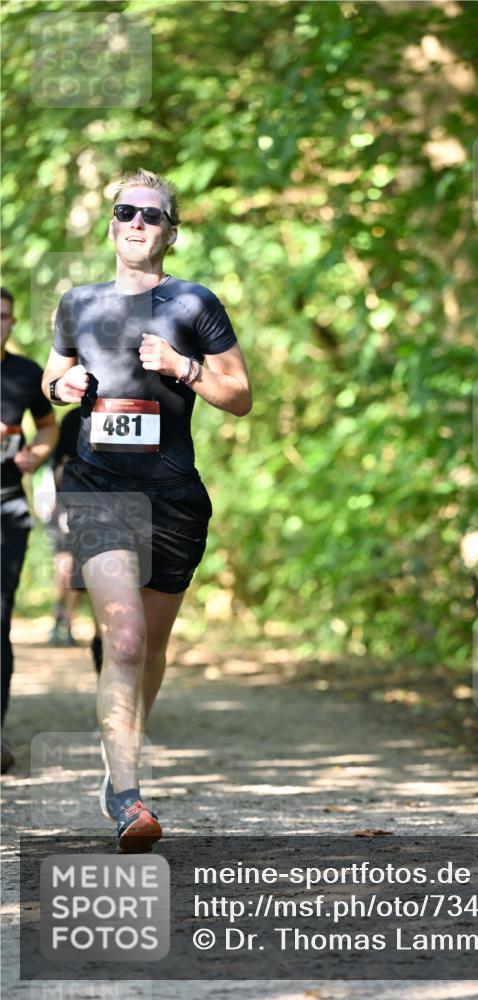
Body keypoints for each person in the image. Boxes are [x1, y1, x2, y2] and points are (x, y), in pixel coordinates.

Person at [41, 168, 252, 850]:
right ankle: (131, 799)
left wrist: (185, 368)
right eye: (126, 212)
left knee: (150, 648)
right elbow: (51, 378)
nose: (137, 223)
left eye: (152, 215)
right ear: (111, 223)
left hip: (174, 495)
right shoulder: (77, 303)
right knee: (123, 639)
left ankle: (119, 759)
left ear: (171, 232)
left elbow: (240, 395)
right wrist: (61, 382)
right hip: (98, 487)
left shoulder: (193, 304)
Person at [1, 287, 58, 773]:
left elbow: (48, 426)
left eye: (2, 317)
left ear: (12, 323)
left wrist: (34, 454)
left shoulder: (24, 374)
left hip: (7, 509)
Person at [46, 406, 103, 672]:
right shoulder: (71, 419)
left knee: (88, 569)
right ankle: (62, 616)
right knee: (67, 565)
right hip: (70, 500)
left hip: (111, 504)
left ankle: (90, 628)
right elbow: (57, 468)